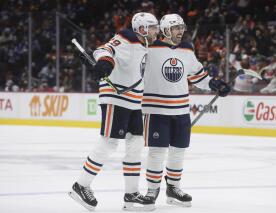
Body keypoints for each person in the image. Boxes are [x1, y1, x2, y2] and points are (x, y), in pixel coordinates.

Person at [68, 12, 159, 211]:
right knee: (109, 142)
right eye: (152, 27)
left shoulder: (145, 45)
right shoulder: (127, 37)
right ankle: (80, 185)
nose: (156, 31)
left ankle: (131, 194)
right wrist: (105, 63)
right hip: (116, 97)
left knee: (135, 144)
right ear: (142, 28)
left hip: (134, 100)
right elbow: (104, 49)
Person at [141, 14, 231, 208]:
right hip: (156, 110)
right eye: (176, 28)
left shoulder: (187, 49)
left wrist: (215, 84)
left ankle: (173, 188)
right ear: (165, 30)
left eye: (182, 27)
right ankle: (152, 190)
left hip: (181, 109)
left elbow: (198, 75)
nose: (181, 31)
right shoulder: (148, 49)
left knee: (178, 151)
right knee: (157, 152)